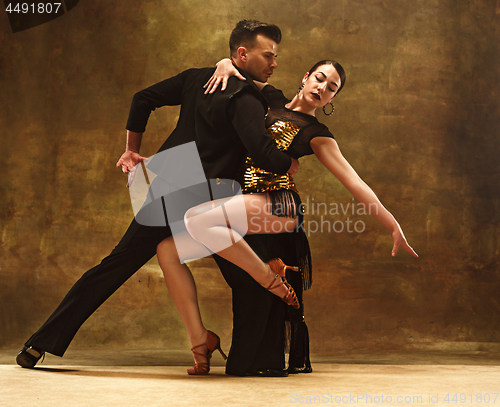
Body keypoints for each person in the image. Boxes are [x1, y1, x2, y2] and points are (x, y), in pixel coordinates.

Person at [16, 20, 298, 377]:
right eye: (268, 55)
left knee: (116, 264)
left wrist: (132, 150)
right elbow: (264, 149)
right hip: (208, 196)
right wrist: (288, 162)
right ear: (242, 53)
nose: (275, 62)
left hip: (174, 184)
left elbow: (143, 99)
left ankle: (41, 343)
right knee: (246, 273)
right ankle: (246, 351)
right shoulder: (245, 99)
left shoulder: (202, 78)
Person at [153, 58, 418, 374]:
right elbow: (239, 71)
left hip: (278, 205)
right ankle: (201, 341)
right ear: (306, 77)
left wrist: (392, 224)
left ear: (333, 98)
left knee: (197, 219)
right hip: (243, 200)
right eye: (319, 79)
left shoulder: (317, 133)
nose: (322, 88)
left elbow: (353, 180)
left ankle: (272, 281)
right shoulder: (271, 99)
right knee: (166, 251)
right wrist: (223, 63)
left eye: (331, 88)